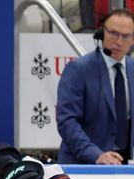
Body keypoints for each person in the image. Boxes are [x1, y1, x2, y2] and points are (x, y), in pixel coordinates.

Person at [57, 8, 134, 164]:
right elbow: (67, 121)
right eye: (113, 33)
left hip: (126, 167)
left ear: (133, 39)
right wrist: (95, 155)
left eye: (125, 36)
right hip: (84, 166)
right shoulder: (78, 69)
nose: (119, 41)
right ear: (102, 33)